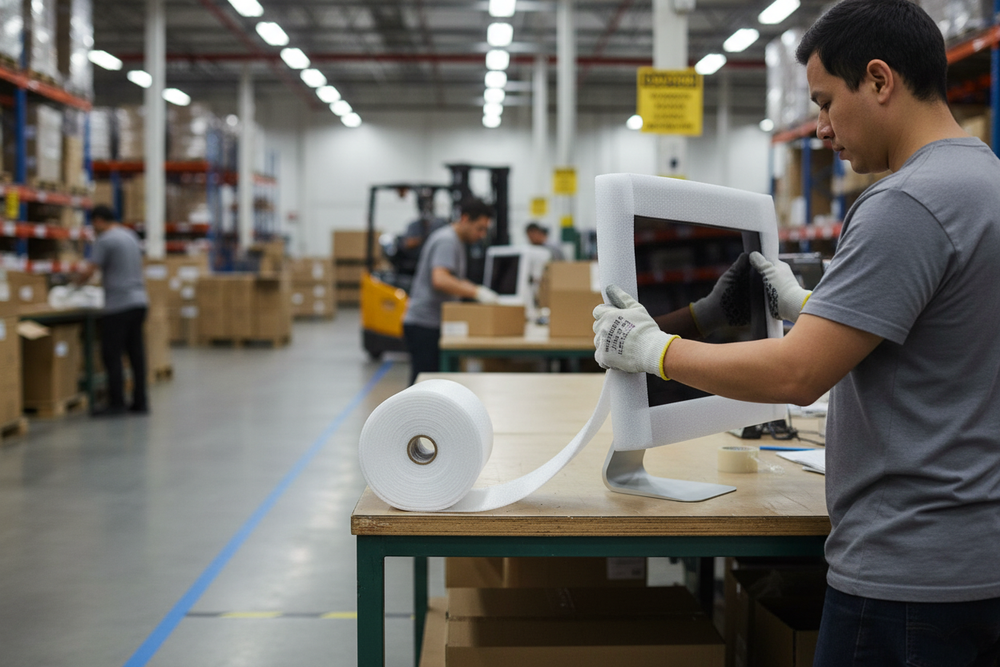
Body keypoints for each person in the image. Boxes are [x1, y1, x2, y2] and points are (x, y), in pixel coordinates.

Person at [592, 1, 1000, 665]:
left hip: (908, 574)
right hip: (974, 555)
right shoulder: (984, 178)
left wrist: (654, 348)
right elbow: (950, 333)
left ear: (878, 80)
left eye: (824, 101)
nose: (819, 128)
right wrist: (817, 303)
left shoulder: (905, 203)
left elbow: (796, 374)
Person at [403, 197, 499, 385]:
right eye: (479, 228)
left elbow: (454, 279)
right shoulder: (447, 241)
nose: (481, 234)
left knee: (431, 385)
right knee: (425, 387)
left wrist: (474, 289)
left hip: (432, 323)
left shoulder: (455, 241)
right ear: (464, 219)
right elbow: (440, 279)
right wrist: (476, 293)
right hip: (425, 324)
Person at [76, 205, 150, 416]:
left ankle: (116, 403)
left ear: (99, 220)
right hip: (140, 301)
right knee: (136, 355)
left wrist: (73, 285)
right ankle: (140, 402)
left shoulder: (105, 240)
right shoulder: (130, 236)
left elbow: (91, 269)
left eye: (93, 224)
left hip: (118, 305)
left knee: (112, 354)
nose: (93, 229)